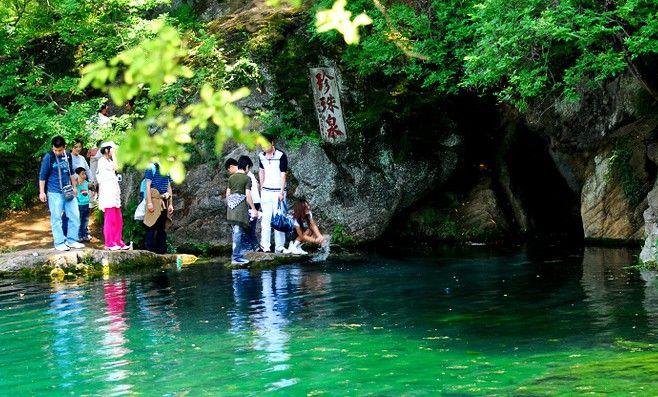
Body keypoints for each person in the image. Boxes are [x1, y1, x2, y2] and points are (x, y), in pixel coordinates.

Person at [38, 136, 85, 251]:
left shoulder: (67, 155)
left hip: (68, 190)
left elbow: (71, 173)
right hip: (54, 192)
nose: (57, 152)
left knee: (74, 215)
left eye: (59, 150)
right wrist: (42, 192)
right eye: (55, 150)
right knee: (56, 218)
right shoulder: (49, 157)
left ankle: (72, 240)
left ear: (65, 147)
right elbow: (42, 176)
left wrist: (74, 187)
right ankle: (59, 242)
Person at [258, 134, 288, 253]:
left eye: (266, 144)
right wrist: (261, 188)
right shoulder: (261, 156)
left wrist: (281, 191)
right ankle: (265, 245)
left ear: (272, 143)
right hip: (266, 191)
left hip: (278, 192)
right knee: (265, 219)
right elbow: (261, 172)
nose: (264, 147)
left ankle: (279, 246)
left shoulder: (281, 155)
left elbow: (283, 174)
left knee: (279, 218)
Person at [96, 141, 129, 250]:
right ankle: (109, 243)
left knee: (118, 218)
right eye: (112, 149)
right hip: (107, 192)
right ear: (106, 150)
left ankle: (118, 241)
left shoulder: (108, 161)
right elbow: (116, 167)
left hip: (114, 192)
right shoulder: (102, 161)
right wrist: (114, 155)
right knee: (110, 218)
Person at [226, 156, 258, 265]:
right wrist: (253, 209)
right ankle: (236, 257)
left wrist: (232, 204)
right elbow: (248, 195)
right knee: (238, 232)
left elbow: (227, 195)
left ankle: (236, 256)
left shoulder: (231, 178)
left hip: (231, 208)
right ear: (247, 166)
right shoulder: (246, 178)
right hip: (240, 209)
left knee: (235, 232)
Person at [63, 139, 95, 234]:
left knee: (82, 209)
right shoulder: (68, 157)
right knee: (70, 209)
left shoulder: (82, 158)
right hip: (72, 186)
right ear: (71, 148)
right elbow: (68, 172)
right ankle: (65, 231)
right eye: (75, 147)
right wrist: (76, 180)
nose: (78, 149)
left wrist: (91, 181)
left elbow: (88, 170)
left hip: (82, 188)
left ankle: (82, 231)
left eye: (79, 147)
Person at [143, 163, 174, 254]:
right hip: (154, 200)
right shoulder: (151, 167)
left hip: (164, 200)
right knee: (151, 225)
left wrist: (170, 204)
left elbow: (169, 187)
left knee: (161, 227)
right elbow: (148, 186)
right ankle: (149, 252)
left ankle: (161, 251)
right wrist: (149, 203)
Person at [239, 155, 261, 252]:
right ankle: (254, 247)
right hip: (254, 203)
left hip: (251, 204)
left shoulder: (246, 176)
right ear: (247, 166)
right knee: (249, 228)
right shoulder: (249, 175)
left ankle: (252, 247)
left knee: (248, 228)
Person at [74, 167, 92, 242]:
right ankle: (78, 235)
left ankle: (84, 234)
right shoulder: (75, 184)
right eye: (82, 174)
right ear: (78, 175)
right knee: (79, 220)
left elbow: (92, 187)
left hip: (86, 204)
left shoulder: (86, 183)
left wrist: (93, 189)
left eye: (85, 174)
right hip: (79, 204)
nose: (84, 175)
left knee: (85, 220)